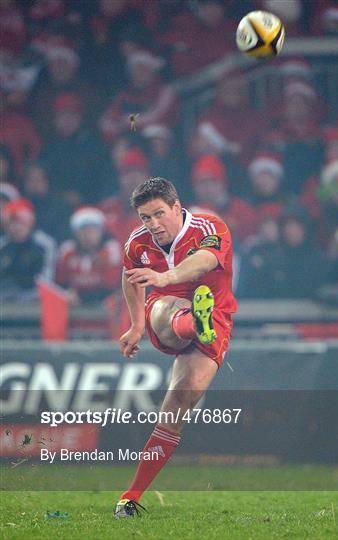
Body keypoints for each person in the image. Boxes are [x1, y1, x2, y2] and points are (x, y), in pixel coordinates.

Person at [115, 177, 236, 518]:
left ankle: (130, 497)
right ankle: (193, 321)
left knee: (179, 403)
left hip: (218, 316)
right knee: (169, 309)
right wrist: (137, 325)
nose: (152, 224)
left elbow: (205, 262)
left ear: (176, 206)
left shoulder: (210, 227)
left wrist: (165, 276)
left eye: (158, 214)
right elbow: (130, 277)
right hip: (166, 312)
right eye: (144, 218)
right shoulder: (137, 243)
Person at [56, 207, 121, 305]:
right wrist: (66, 293)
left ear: (101, 232)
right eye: (83, 231)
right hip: (74, 309)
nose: (88, 235)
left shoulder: (110, 251)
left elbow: (112, 286)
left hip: (104, 309)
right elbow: (60, 283)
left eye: (93, 230)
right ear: (75, 233)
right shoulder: (67, 252)